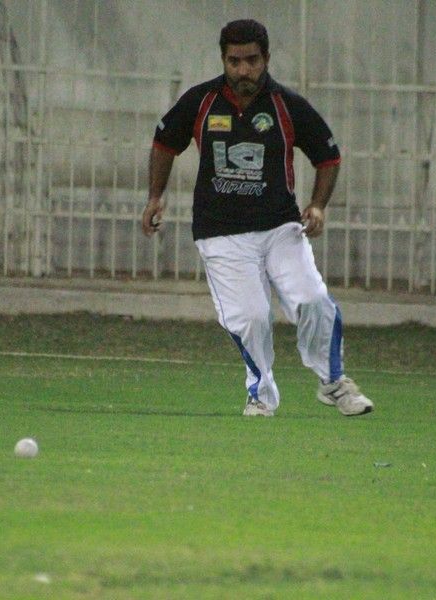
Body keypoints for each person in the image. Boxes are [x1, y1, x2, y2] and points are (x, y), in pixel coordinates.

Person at [141, 19, 373, 417]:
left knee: (313, 300)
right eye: (234, 62)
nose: (243, 70)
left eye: (251, 60)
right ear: (223, 60)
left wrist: (318, 205)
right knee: (250, 317)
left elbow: (328, 157)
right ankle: (261, 394)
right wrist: (154, 196)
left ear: (266, 59)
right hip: (220, 232)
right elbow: (164, 143)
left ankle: (334, 382)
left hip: (280, 227)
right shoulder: (201, 101)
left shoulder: (287, 105)